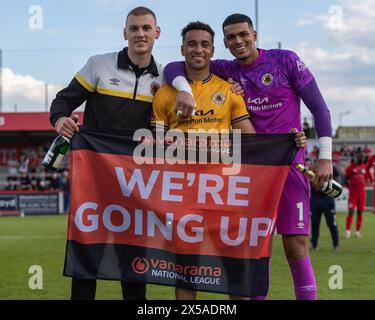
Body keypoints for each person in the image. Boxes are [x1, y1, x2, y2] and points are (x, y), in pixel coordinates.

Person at [164, 13, 334, 300]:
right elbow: (173, 67)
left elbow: (319, 107)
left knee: (296, 247)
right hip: (249, 174)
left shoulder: (285, 61)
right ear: (225, 44)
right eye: (231, 37)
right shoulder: (225, 69)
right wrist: (184, 89)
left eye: (243, 34)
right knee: (255, 248)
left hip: (289, 166)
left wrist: (325, 156)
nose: (238, 41)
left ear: (254, 34)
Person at [49, 6, 178, 301]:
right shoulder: (98, 65)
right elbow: (62, 101)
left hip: (137, 184)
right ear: (125, 33)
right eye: (134, 28)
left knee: (134, 265)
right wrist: (60, 120)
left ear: (157, 33)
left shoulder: (166, 82)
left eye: (146, 28)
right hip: (93, 181)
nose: (140, 34)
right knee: (86, 262)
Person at [310, 162, 340, 251]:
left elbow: (337, 179)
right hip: (315, 198)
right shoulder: (313, 167)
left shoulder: (331, 167)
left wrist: (327, 186)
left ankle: (336, 245)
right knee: (315, 223)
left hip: (327, 199)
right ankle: (314, 245)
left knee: (331, 223)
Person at [345, 154, 369, 239]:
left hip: (361, 193)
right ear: (356, 158)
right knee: (351, 211)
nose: (361, 158)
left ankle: (357, 231)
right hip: (353, 193)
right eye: (359, 157)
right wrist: (349, 187)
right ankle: (348, 231)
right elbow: (346, 177)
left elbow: (366, 178)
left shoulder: (364, 167)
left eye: (362, 157)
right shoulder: (351, 167)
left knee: (360, 212)